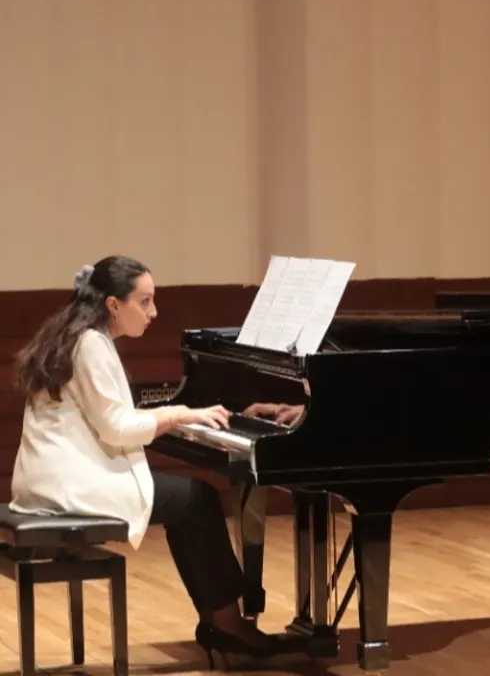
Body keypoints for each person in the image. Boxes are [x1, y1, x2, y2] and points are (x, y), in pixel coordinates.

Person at [7, 255, 285, 667]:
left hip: (49, 479)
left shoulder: (75, 335)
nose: (153, 313)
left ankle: (219, 621)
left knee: (191, 503)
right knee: (196, 500)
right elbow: (117, 427)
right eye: (145, 301)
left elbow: (112, 416)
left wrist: (182, 415)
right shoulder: (90, 345)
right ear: (113, 305)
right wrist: (180, 415)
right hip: (71, 486)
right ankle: (225, 624)